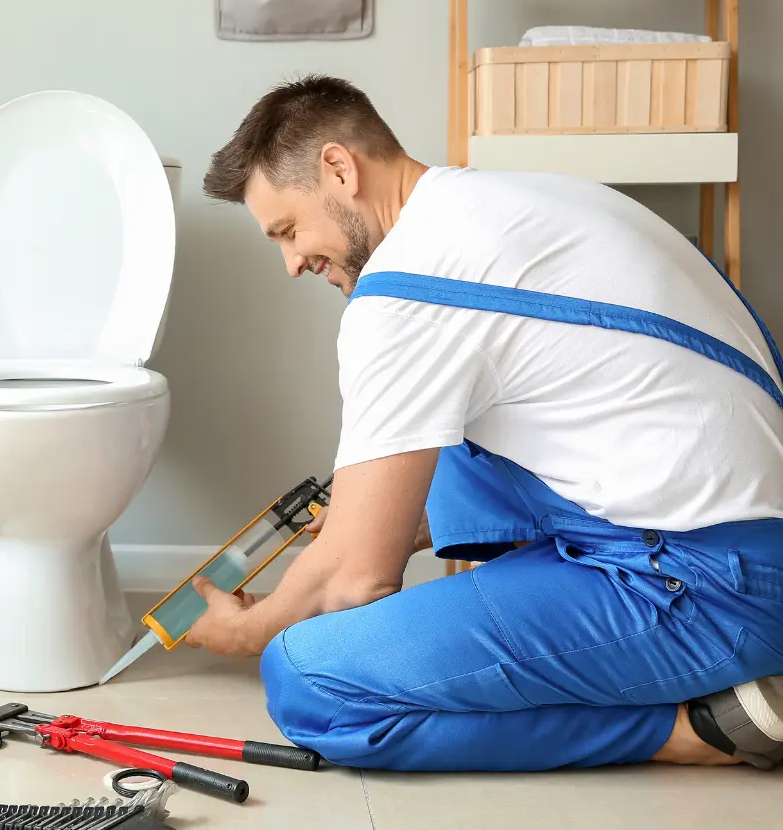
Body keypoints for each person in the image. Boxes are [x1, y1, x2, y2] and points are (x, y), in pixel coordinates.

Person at [186, 74, 783, 772]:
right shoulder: (517, 201)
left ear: (339, 169)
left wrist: (250, 631)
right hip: (740, 539)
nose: (292, 263)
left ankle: (695, 730)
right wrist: (388, 517)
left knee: (305, 678)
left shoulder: (402, 295)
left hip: (711, 588)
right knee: (448, 426)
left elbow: (351, 583)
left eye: (288, 231)